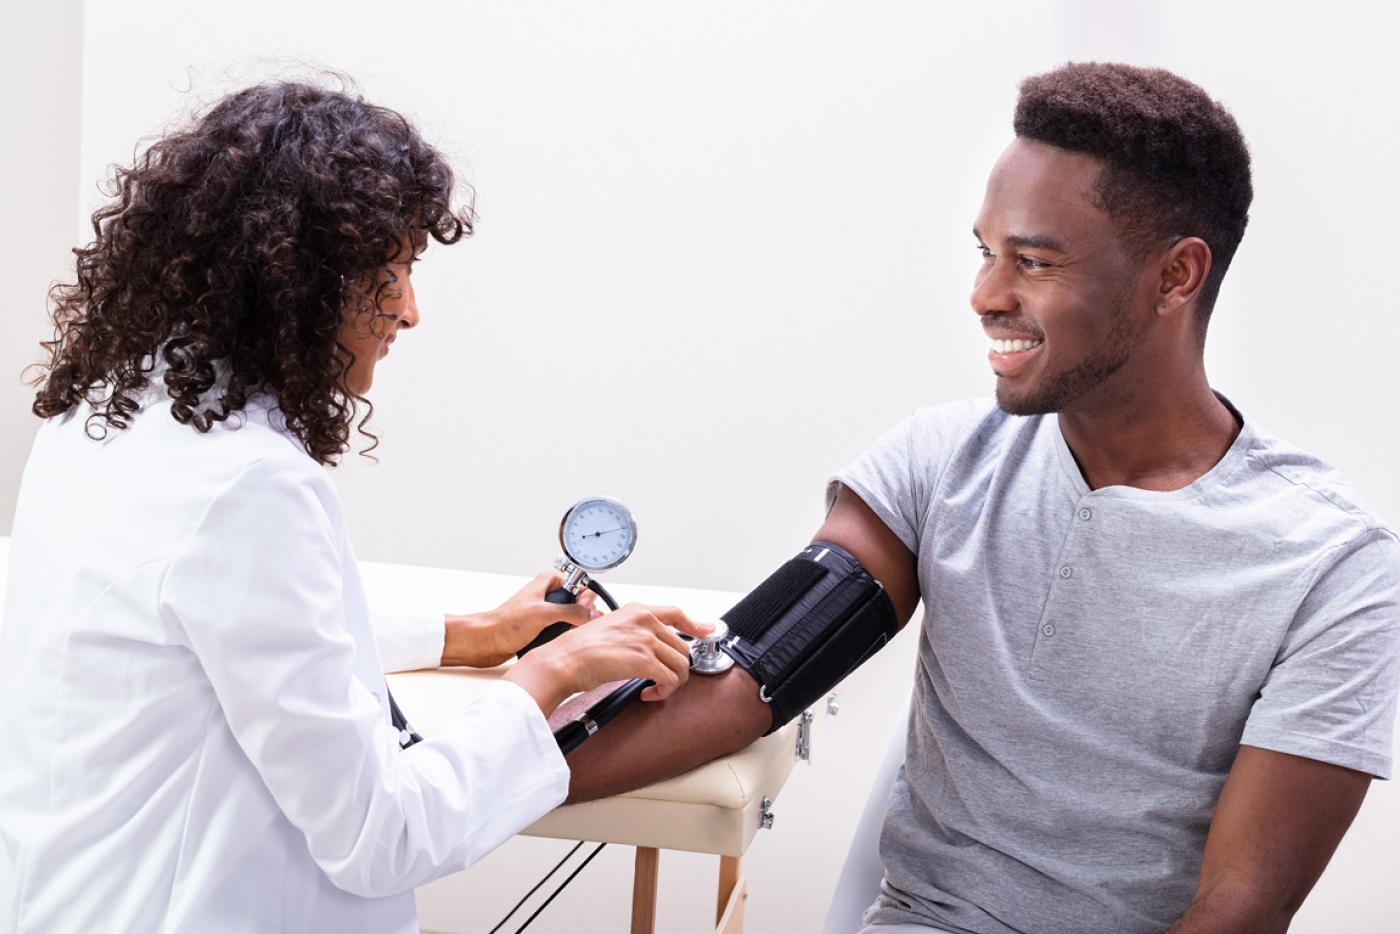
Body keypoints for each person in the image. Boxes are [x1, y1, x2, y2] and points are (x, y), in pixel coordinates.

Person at [551, 63, 1400, 933]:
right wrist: (454, 781)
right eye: (986, 252)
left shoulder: (1328, 567)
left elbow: (1239, 911)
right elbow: (755, 674)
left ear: (1175, 277)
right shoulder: (941, 462)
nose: (986, 295)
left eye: (1033, 261)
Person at [0, 80, 707, 934]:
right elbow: (379, 835)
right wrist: (550, 674)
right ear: (293, 281)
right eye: (391, 274)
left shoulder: (100, 418)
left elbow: (213, 633)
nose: (409, 310)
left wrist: (467, 635)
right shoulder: (248, 485)